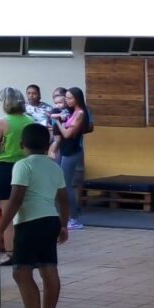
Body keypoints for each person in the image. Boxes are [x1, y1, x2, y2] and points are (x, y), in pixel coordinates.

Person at [0, 123, 68, 308]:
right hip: (50, 221)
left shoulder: (22, 165)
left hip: (29, 223)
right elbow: (64, 199)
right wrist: (63, 225)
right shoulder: (54, 167)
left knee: (21, 272)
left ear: (21, 144)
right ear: (47, 145)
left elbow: (15, 201)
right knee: (48, 269)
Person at [0, 87, 34, 266]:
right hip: (24, 167)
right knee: (23, 213)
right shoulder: (30, 120)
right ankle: (26, 249)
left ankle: (11, 253)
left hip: (3, 169)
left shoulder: (1, 122)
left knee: (7, 216)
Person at [51, 87, 89, 231]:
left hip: (72, 152)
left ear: (77, 99)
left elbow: (67, 134)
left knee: (66, 185)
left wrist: (58, 122)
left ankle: (73, 218)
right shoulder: (70, 112)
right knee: (59, 183)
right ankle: (62, 214)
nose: (66, 101)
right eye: (66, 98)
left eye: (69, 98)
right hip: (64, 150)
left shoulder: (80, 113)